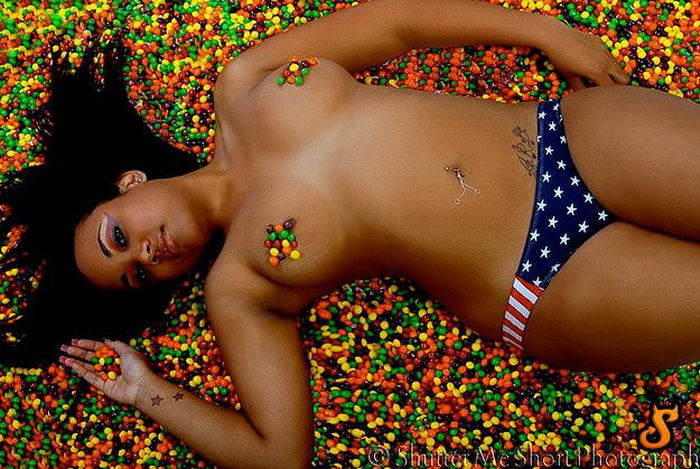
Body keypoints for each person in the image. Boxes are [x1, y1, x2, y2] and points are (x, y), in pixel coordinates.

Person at [53, 0, 700, 467]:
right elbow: (279, 454)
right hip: (539, 275)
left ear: (130, 182)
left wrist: (544, 31)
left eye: (119, 237)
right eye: (138, 274)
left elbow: (395, 24)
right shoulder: (239, 285)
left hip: (564, 137)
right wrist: (146, 391)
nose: (147, 253)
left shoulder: (243, 84)